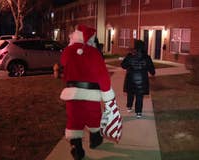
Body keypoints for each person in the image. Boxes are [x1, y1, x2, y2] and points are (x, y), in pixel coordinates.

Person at [59, 24, 120, 160]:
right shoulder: (94, 53)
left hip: (72, 94)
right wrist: (107, 94)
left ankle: (77, 147)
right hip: (91, 95)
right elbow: (102, 75)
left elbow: (63, 63)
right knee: (93, 118)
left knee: (74, 119)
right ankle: (95, 140)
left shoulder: (68, 51)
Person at [121, 39, 156, 118]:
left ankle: (129, 107)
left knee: (130, 93)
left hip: (130, 79)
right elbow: (152, 71)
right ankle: (138, 112)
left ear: (135, 47)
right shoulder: (147, 57)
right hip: (142, 81)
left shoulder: (130, 56)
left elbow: (123, 65)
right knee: (139, 95)